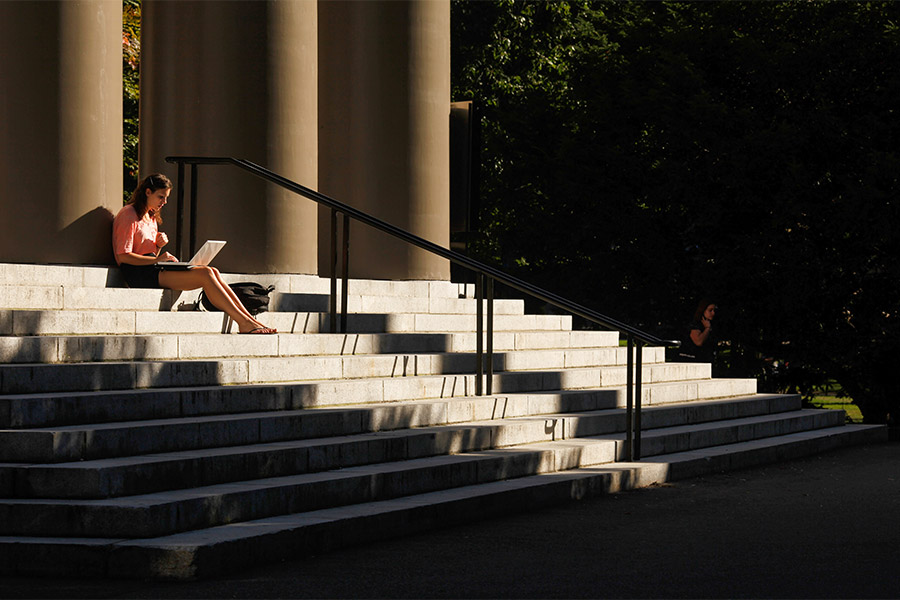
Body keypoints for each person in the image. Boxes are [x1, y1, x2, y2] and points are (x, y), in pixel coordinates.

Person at [112, 173, 277, 334]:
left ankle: (251, 320)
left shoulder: (151, 216)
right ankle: (243, 322)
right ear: (148, 192)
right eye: (161, 197)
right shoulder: (129, 214)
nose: (164, 202)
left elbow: (149, 254)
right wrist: (158, 259)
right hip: (137, 273)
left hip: (152, 267)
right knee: (205, 273)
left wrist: (158, 247)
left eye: (166, 197)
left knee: (212, 270)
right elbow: (123, 257)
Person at [679, 299, 717, 363]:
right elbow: (698, 341)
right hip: (691, 360)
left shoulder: (711, 324)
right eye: (710, 310)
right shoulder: (695, 324)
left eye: (714, 310)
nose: (713, 313)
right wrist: (707, 328)